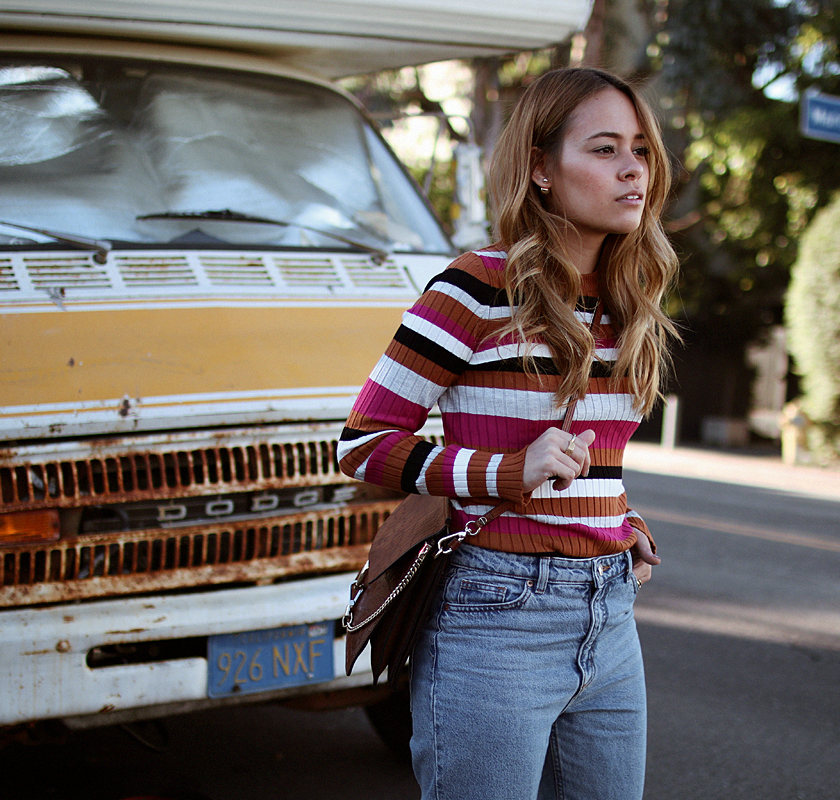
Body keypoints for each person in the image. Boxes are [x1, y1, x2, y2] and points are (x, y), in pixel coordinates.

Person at [337, 66, 678, 800]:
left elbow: (593, 461)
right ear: (541, 170)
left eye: (642, 150)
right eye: (605, 149)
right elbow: (362, 444)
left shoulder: (629, 299)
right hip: (496, 615)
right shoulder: (477, 286)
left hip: (610, 612)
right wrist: (506, 471)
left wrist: (621, 518)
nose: (633, 170)